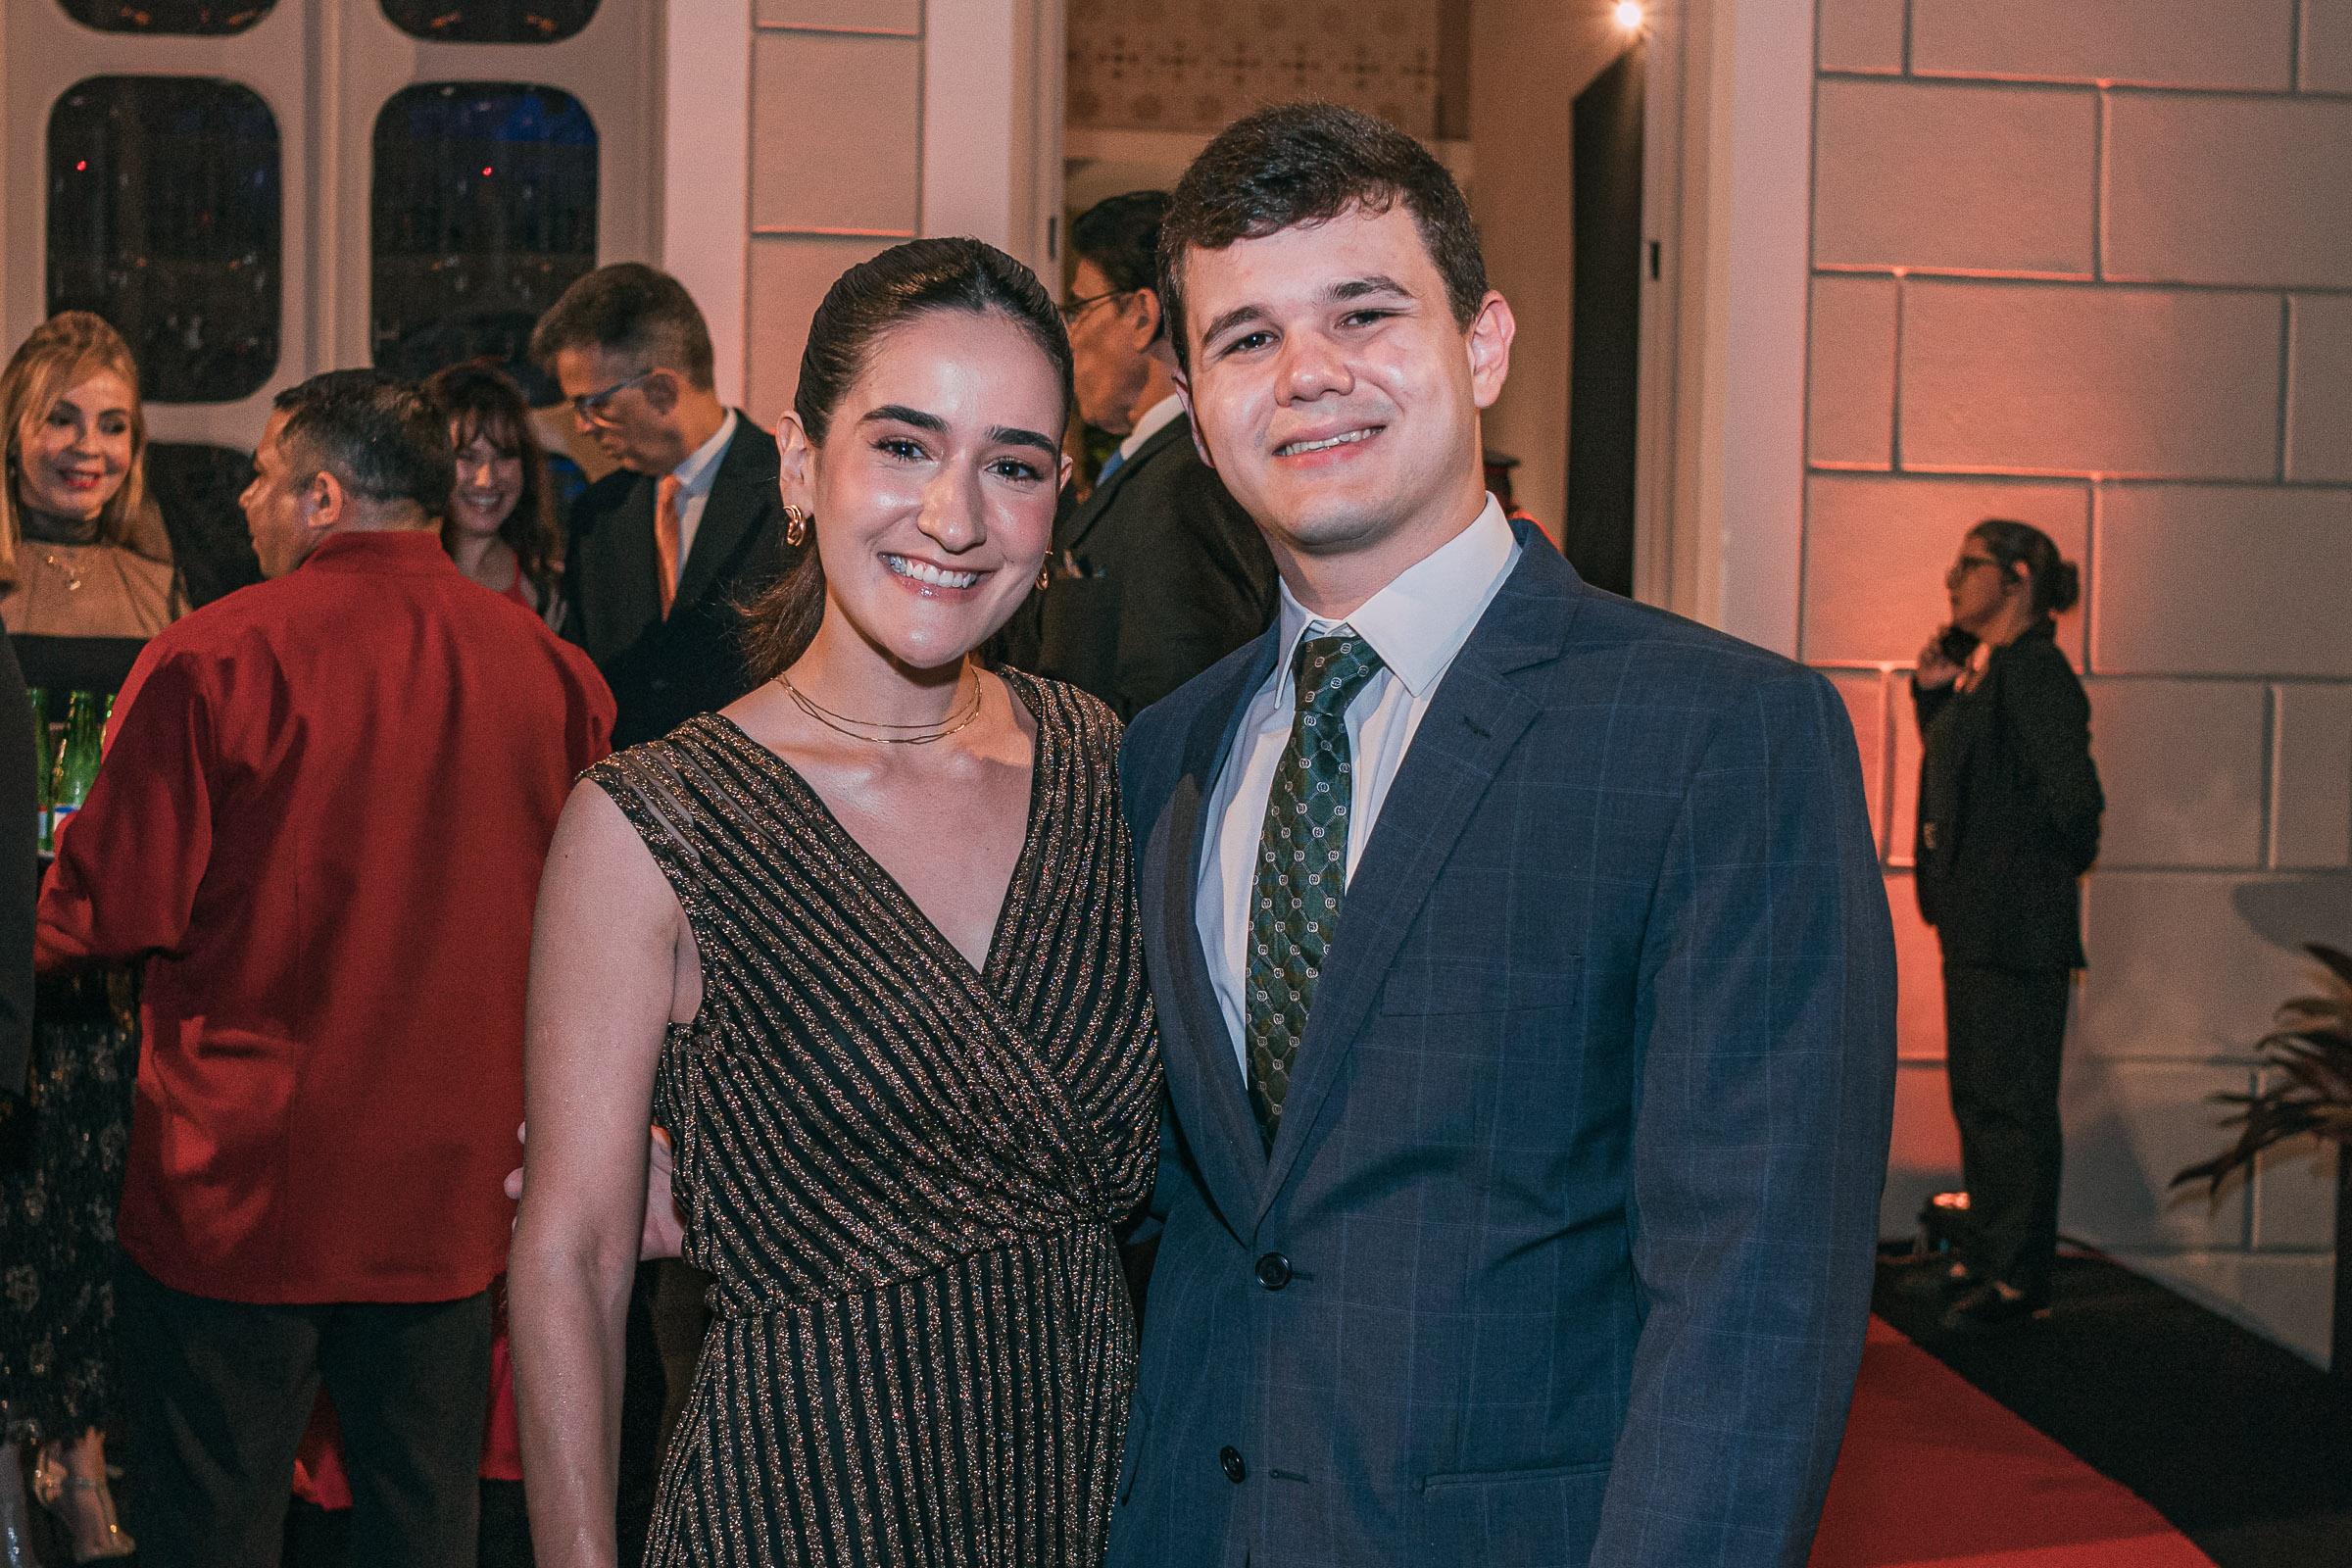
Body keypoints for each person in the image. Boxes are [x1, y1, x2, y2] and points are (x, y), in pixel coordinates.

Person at [1108, 104, 1897, 1567]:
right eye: (1248, 338)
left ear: (1483, 343)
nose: (1311, 376)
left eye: (1365, 312)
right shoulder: (1165, 754)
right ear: (1197, 405)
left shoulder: (1722, 737)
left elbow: (1755, 1293)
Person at [509, 236, 1158, 1568]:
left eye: (1015, 465)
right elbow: (571, 1258)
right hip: (794, 1507)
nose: (956, 516)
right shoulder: (651, 821)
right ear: (802, 468)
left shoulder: (1111, 769)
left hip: (1097, 1505)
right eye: (906, 447)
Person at [34, 369, 612, 1568]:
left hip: (241, 1187)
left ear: (321, 496)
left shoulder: (212, 660)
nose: (244, 497)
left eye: (259, 473)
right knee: (423, 1524)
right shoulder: (556, 677)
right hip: (452, 1198)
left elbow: (104, 904)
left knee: (211, 1526)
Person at [0, 311, 187, 1563]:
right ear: (15, 426)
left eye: (112, 423)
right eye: (62, 416)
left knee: (86, 1215)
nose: (88, 446)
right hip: (4, 945)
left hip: (111, 955)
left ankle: (73, 1460)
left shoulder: (168, 585)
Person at [1910, 518, 2103, 1333]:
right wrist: (1933, 697)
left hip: (2013, 930)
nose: (1953, 578)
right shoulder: (1994, 674)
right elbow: (1977, 782)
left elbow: (2075, 807)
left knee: (2010, 1105)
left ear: (2018, 577)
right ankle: (1993, 1258)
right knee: (1985, 1100)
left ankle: (2017, 1277)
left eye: (1971, 565)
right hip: (1984, 927)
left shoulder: (2034, 674)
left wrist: (2012, 874)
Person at [1020, 191, 1276, 717]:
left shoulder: (1187, 480)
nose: (1067, 336)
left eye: (1077, 309)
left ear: (1141, 314)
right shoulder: (1156, 468)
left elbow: (1183, 709)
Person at [531, 263, 797, 748]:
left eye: (594, 405)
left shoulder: (792, 492)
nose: (584, 426)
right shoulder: (598, 514)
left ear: (661, 390)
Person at [425, 360, 566, 628]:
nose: (486, 479)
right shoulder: (402, 577)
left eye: (505, 456)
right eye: (467, 457)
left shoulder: (547, 588)